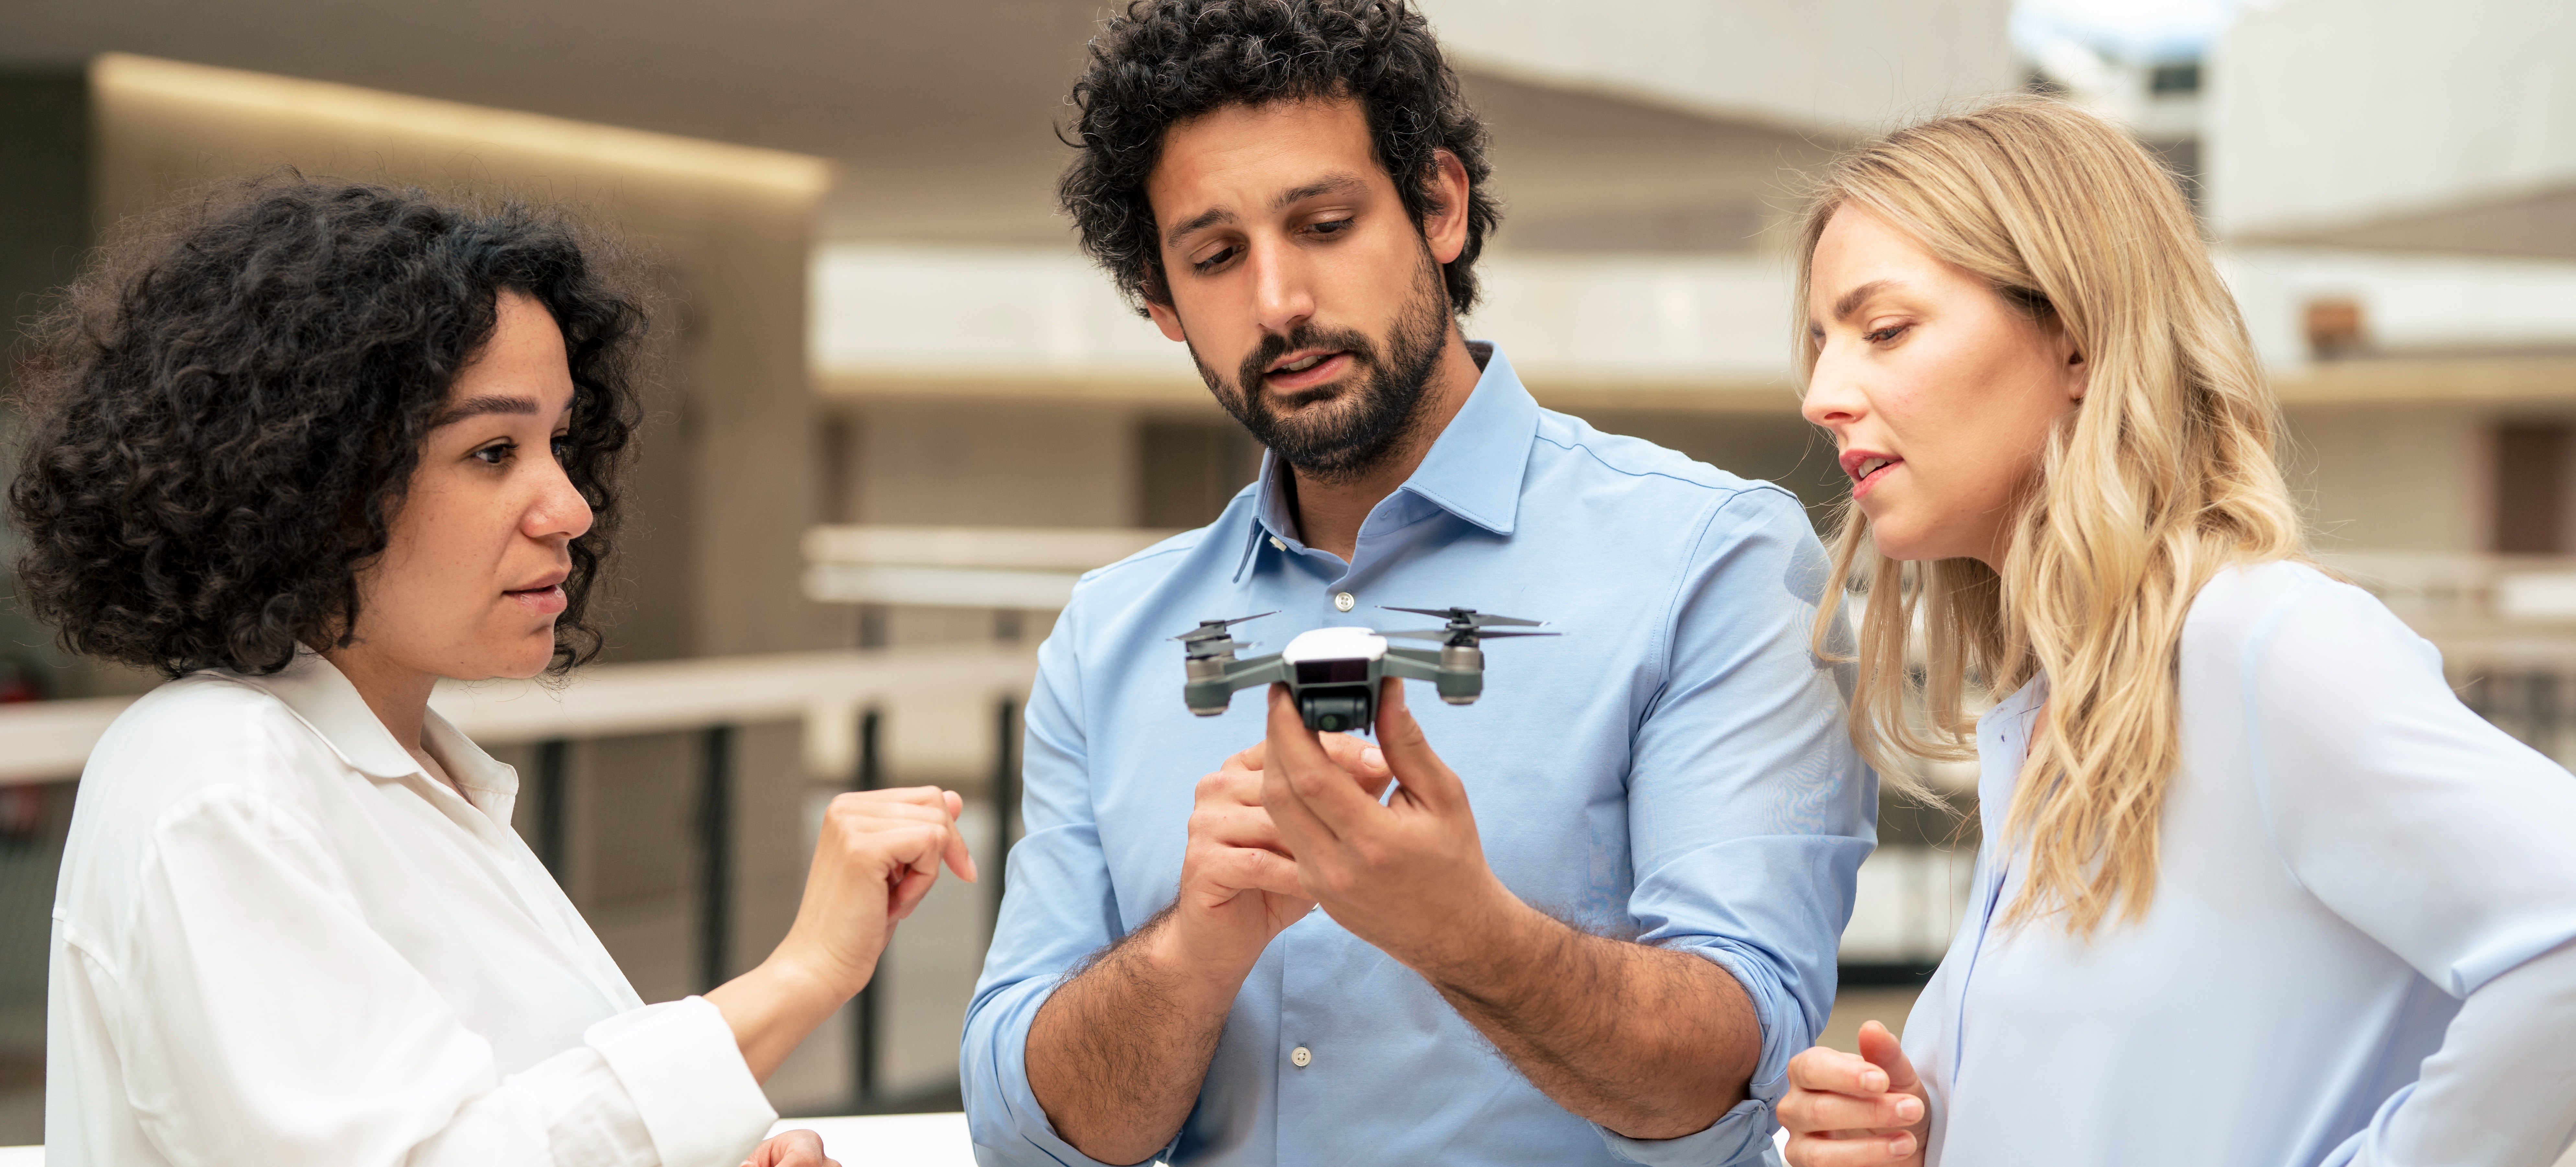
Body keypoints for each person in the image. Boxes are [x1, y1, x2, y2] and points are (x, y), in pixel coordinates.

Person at [961, 2, 1874, 1164]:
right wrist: (1191, 949)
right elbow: (1023, 1132)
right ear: (1160, 301)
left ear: (1439, 205)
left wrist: (1467, 932)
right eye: (1216, 257)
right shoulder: (1107, 635)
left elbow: (1731, 1074)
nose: (1280, 299)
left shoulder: (1719, 562)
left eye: (1326, 223)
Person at [8, 180, 977, 1167]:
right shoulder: (217, 783)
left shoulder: (424, 776)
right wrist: (804, 970)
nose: (569, 505)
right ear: (318, 479)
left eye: (559, 442)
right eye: (492, 450)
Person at [1774, 99, 2576, 1167]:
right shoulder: (2046, 718)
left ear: (2074, 338)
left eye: (1885, 331)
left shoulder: (2263, 646)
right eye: (1823, 344)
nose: (1824, 394)